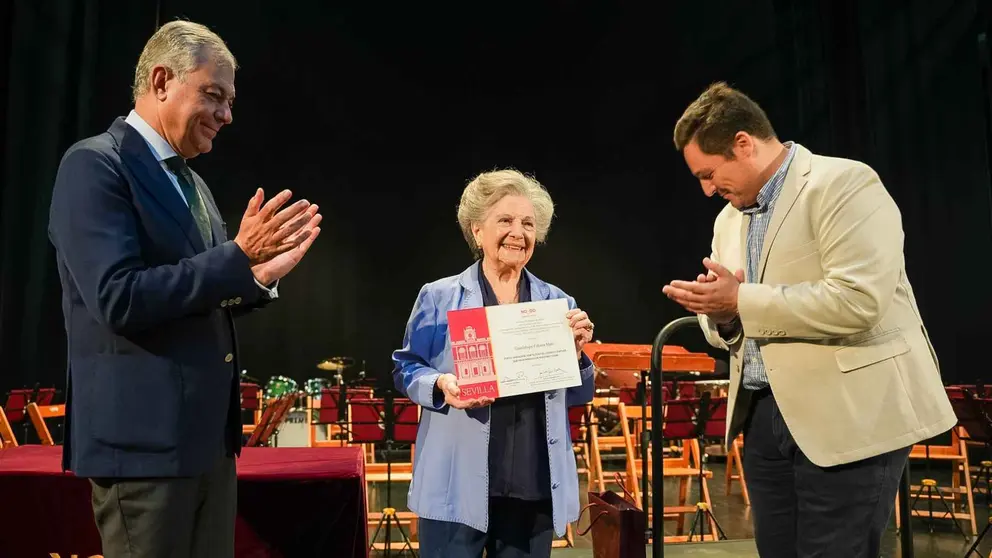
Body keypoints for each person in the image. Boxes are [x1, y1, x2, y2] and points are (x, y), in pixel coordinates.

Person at [47, 20, 321, 558]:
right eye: (214, 95)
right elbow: (119, 298)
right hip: (143, 451)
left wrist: (256, 278)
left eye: (231, 101)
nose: (226, 115)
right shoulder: (94, 166)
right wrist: (237, 258)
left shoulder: (191, 183)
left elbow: (199, 295)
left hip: (207, 448)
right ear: (161, 80)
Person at [662, 82, 956, 557]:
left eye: (709, 173)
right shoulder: (728, 221)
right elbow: (731, 325)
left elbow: (859, 300)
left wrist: (740, 302)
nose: (708, 190)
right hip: (764, 419)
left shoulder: (843, 184)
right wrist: (721, 315)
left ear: (743, 143)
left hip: (848, 416)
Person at [392, 169, 596, 558]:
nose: (518, 232)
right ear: (477, 230)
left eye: (528, 224)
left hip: (532, 484)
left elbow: (579, 394)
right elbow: (405, 368)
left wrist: (577, 356)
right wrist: (441, 386)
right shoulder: (438, 296)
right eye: (505, 220)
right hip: (456, 485)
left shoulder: (558, 304)